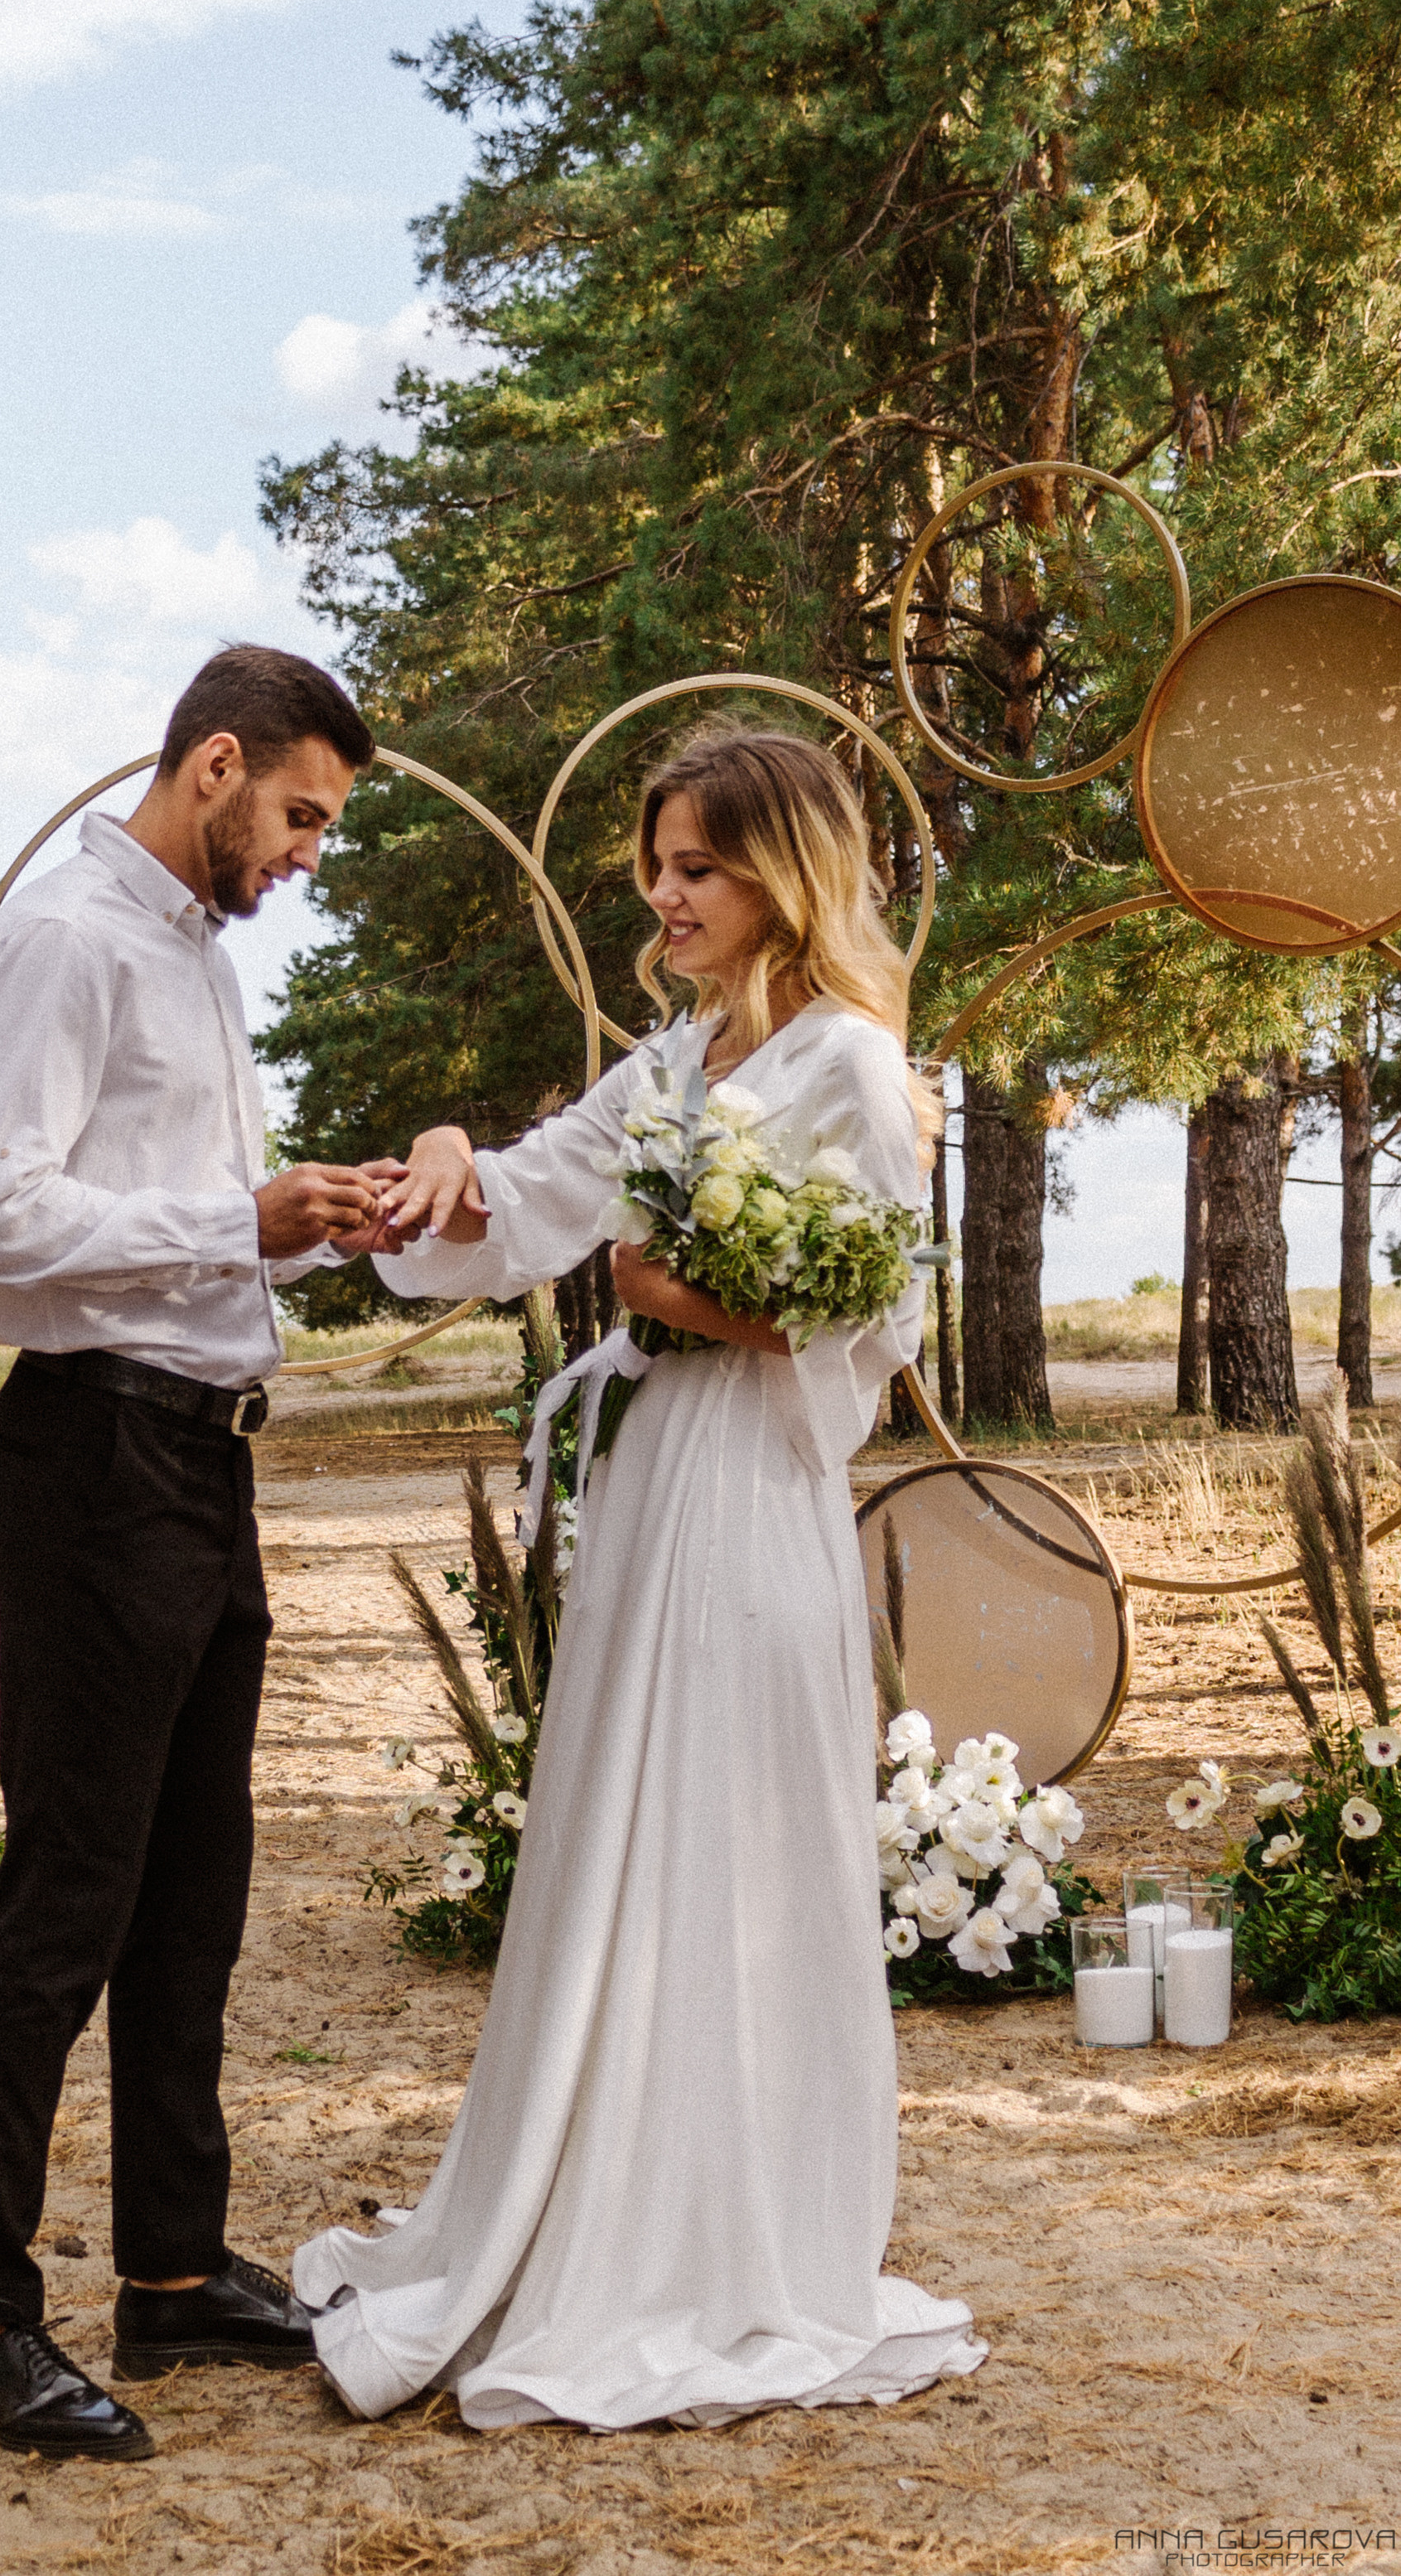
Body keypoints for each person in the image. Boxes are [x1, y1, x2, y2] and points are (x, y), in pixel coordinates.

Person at [294, 720, 988, 2431]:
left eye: (697, 868)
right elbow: (537, 1189)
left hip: (751, 1488)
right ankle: (587, 2194)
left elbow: (864, 1315)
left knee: (735, 1834)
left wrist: (673, 1301)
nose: (665, 897)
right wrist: (442, 1163)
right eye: (657, 868)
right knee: (623, 1822)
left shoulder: (843, 1065)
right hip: (659, 1478)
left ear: (782, 877)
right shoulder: (675, 1058)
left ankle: (720, 2242)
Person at [0, 644, 398, 2461]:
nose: (301, 855)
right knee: (69, 1901)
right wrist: (232, 1214)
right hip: (96, 1456)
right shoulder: (67, 935)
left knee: (193, 1890)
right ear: (213, 764)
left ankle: (174, 2277)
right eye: (296, 816)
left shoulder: (191, 955)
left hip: (205, 1460)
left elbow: (164, 1224)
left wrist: (291, 1226)